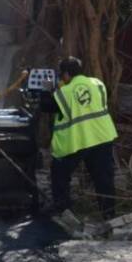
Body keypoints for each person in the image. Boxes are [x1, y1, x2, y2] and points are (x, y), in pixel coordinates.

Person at [41, 56, 118, 219]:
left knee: (60, 174)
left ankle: (62, 207)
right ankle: (109, 214)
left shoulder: (64, 93)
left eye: (61, 75)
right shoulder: (98, 84)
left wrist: (46, 91)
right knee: (104, 178)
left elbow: (46, 107)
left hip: (76, 141)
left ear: (67, 74)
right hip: (102, 137)